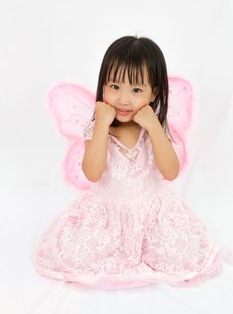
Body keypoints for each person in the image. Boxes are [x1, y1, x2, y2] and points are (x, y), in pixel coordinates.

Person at [33, 35, 223, 290]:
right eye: (114, 86)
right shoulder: (98, 128)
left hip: (152, 214)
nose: (123, 99)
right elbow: (92, 173)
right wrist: (100, 125)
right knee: (78, 255)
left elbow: (170, 172)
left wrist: (154, 128)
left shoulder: (153, 128)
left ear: (154, 92)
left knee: (178, 253)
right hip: (107, 216)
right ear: (102, 86)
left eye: (136, 90)